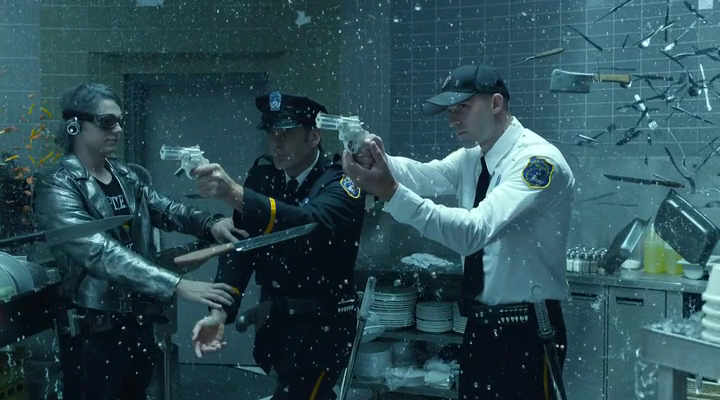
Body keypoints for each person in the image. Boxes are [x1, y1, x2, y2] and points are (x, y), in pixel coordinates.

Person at [343, 65, 575, 399]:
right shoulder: (473, 159)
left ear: (495, 103)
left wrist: (391, 192)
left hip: (527, 329)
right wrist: (377, 157)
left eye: (462, 107)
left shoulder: (537, 162)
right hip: (479, 326)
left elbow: (473, 232)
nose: (452, 119)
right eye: (449, 111)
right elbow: (424, 175)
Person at [32, 83, 241, 400]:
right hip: (93, 333)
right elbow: (98, 252)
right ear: (75, 125)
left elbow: (165, 209)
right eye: (106, 122)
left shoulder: (124, 174)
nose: (117, 129)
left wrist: (211, 224)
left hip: (136, 323)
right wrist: (174, 284)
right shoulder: (57, 184)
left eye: (119, 120)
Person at [190, 92, 367, 400]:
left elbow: (309, 224)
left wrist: (233, 193)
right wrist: (219, 311)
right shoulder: (265, 178)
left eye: (287, 133)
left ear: (314, 137)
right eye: (272, 133)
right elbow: (241, 248)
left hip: (323, 327)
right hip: (277, 323)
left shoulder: (342, 180)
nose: (277, 143)